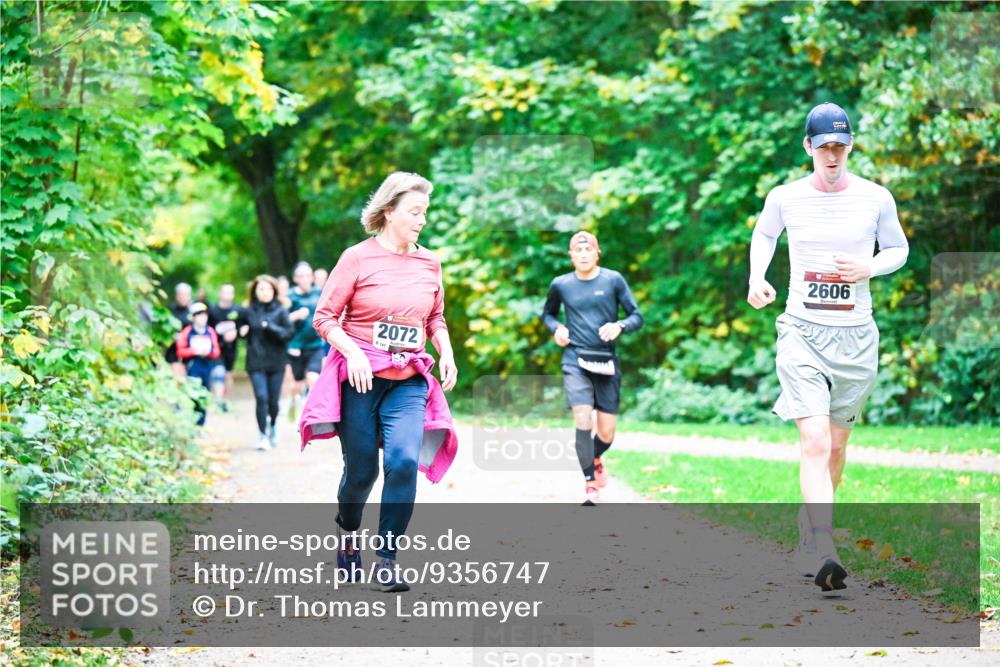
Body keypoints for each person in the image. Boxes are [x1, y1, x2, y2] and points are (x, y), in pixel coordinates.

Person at [747, 102, 908, 594]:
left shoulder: (876, 198)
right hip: (802, 332)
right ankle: (823, 544)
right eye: (824, 148)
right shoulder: (785, 197)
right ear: (808, 148)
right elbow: (765, 233)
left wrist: (869, 268)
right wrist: (757, 276)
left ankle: (810, 526)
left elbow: (898, 249)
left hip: (856, 338)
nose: (832, 156)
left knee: (836, 447)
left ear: (851, 145)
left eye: (840, 147)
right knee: (814, 441)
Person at [299, 171, 459, 593]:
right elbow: (324, 318)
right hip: (361, 379)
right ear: (389, 212)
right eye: (414, 211)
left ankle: (386, 558)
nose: (422, 220)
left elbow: (435, 317)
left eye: (425, 212)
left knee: (404, 462)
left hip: (408, 382)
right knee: (361, 472)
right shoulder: (356, 258)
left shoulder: (430, 262)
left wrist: (446, 349)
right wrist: (352, 353)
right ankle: (348, 534)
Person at [541, 231, 643, 506]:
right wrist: (557, 328)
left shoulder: (613, 280)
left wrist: (619, 325)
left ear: (597, 253)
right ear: (571, 255)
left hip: (606, 361)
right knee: (583, 419)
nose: (583, 254)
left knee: (606, 432)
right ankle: (590, 484)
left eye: (588, 250)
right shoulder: (561, 284)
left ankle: (595, 457)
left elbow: (637, 316)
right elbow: (547, 314)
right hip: (575, 360)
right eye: (578, 250)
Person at [239, 275, 294, 451]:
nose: (265, 292)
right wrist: (242, 331)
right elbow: (240, 329)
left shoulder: (281, 311)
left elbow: (288, 333)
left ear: (274, 291)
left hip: (276, 361)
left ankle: (274, 426)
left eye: (268, 289)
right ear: (255, 291)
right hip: (255, 361)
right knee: (261, 397)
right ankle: (263, 435)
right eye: (261, 289)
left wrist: (270, 326)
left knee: (273, 401)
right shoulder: (248, 311)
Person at [176, 302, 221, 427]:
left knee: (204, 394)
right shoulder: (187, 332)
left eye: (204, 315)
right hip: (193, 366)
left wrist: (208, 352)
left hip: (207, 366)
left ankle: (201, 424)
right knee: (192, 394)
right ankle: (191, 423)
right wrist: (193, 351)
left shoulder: (210, 331)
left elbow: (216, 351)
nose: (202, 318)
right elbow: (180, 350)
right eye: (199, 315)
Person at [287, 262, 325, 406]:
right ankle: (292, 401)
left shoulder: (318, 293)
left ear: (312, 278)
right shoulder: (289, 297)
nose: (305, 279)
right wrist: (294, 316)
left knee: (313, 379)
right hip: (296, 346)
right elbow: (281, 320)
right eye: (301, 276)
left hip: (315, 344)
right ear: (295, 279)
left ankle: (308, 410)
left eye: (308, 276)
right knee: (297, 383)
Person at [208, 284, 243, 412]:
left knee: (228, 374)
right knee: (218, 371)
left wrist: (237, 333)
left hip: (231, 349)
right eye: (226, 292)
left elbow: (244, 328)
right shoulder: (212, 311)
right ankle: (218, 399)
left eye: (231, 293)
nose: (228, 295)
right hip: (216, 348)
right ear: (220, 294)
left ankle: (225, 400)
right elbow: (207, 329)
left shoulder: (238, 310)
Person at [165, 282, 192, 378]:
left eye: (186, 294)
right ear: (176, 295)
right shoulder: (168, 311)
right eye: (181, 294)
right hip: (172, 351)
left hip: (191, 353)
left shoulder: (194, 312)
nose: (183, 297)